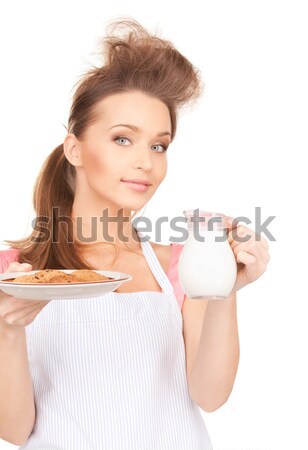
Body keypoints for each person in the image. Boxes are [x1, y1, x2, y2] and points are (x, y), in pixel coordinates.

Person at [0, 18, 270, 450]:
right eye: (123, 139)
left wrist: (223, 289)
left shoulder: (179, 265)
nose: (146, 162)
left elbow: (210, 395)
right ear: (75, 149)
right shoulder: (16, 273)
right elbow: (14, 430)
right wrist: (7, 332)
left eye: (158, 145)